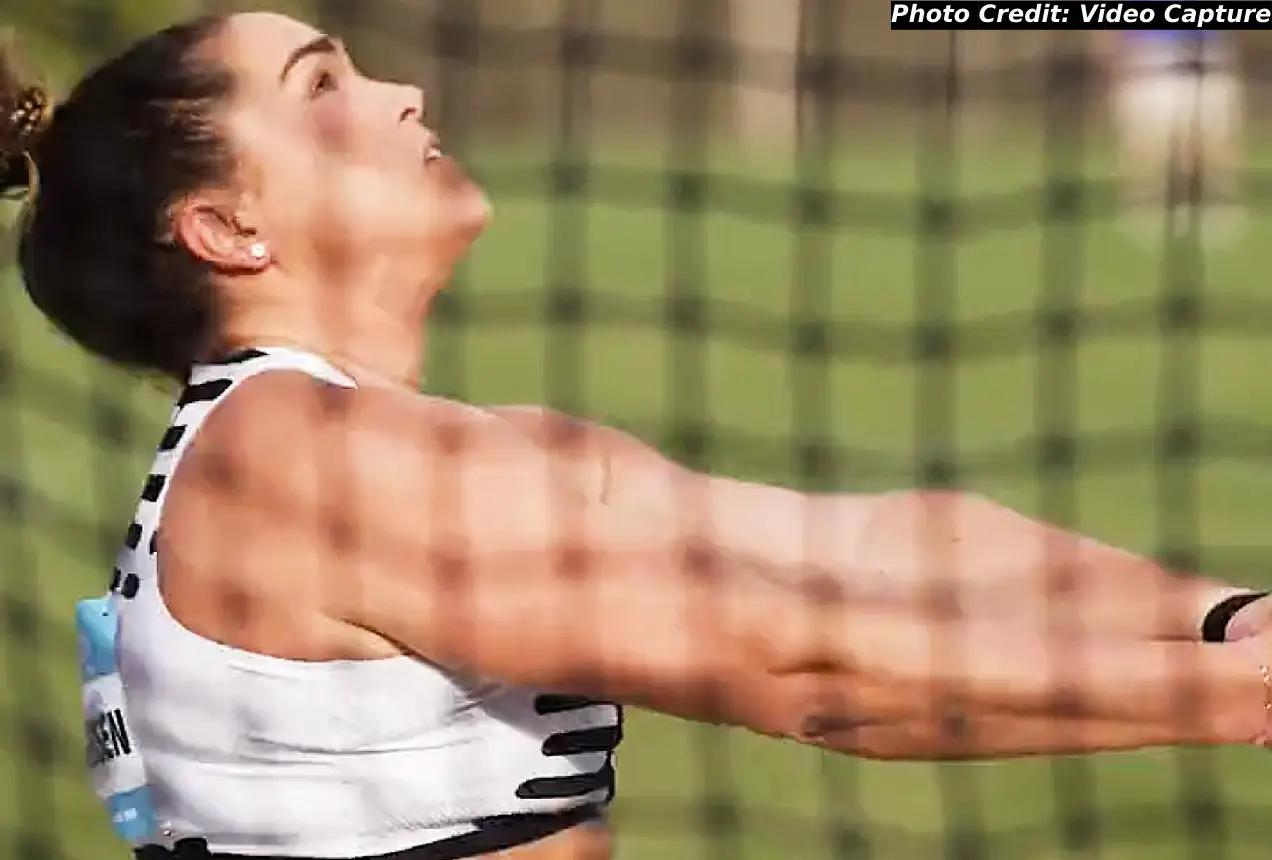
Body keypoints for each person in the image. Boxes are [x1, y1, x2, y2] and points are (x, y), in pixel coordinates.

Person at [3, 12, 1272, 860]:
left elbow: (882, 549)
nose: (402, 90)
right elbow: (809, 671)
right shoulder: (298, 458)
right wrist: (1236, 695)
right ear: (228, 231)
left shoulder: (452, 446)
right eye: (322, 86)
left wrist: (1228, 619)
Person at [1107, 27, 1243, 235]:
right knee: (1148, 145)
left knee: (1211, 142)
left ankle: (1215, 207)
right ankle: (1147, 211)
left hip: (1205, 51)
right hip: (1147, 52)